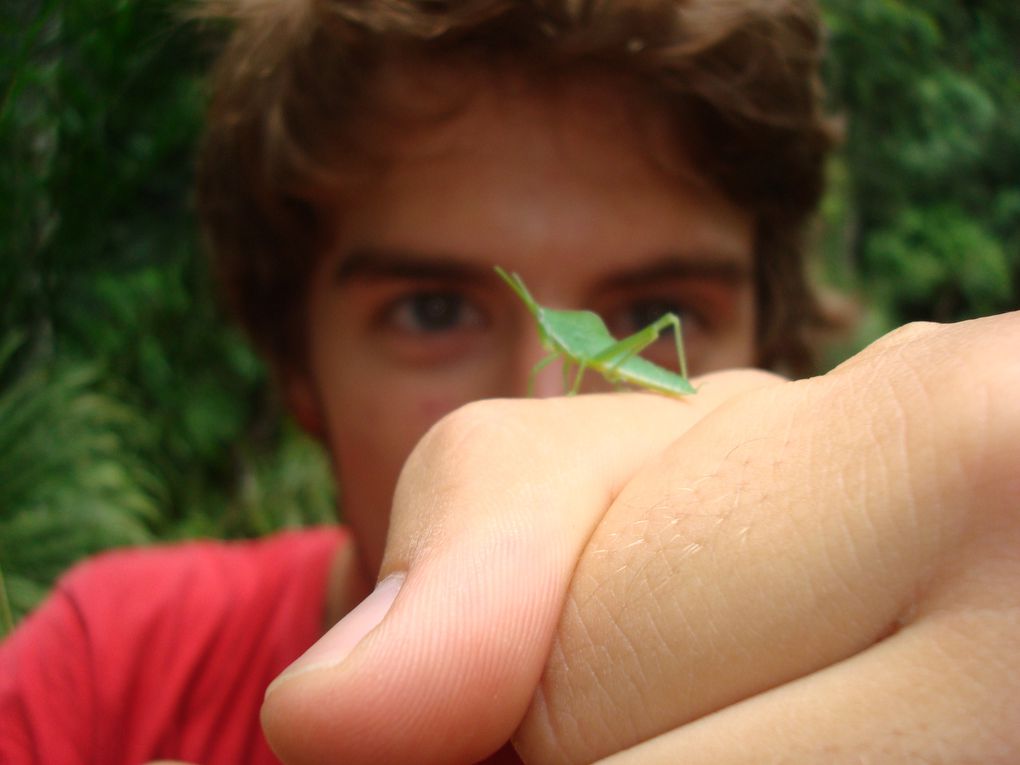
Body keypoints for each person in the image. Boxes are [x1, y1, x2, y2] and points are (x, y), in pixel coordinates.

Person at [3, 1, 1018, 764]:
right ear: (295, 372)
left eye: (660, 301)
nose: (528, 428)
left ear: (777, 336)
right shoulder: (107, 675)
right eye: (432, 311)